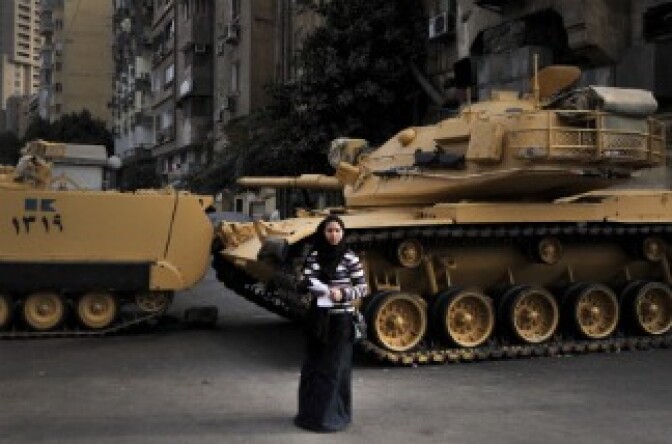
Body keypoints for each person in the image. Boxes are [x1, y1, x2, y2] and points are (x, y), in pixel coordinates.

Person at [294, 214, 368, 432]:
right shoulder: (315, 256)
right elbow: (307, 280)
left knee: (334, 368)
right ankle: (310, 415)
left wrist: (342, 293)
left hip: (340, 321)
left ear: (343, 233)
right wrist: (306, 284)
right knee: (314, 367)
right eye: (329, 231)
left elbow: (363, 287)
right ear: (322, 233)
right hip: (318, 319)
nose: (333, 235)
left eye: (337, 231)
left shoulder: (349, 258)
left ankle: (332, 417)